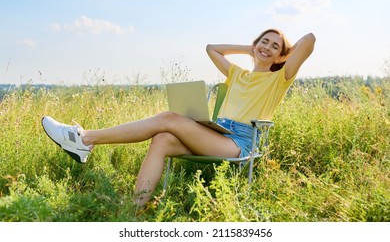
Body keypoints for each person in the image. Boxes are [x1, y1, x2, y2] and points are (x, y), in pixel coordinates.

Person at [41, 29, 316, 206]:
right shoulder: (238, 74)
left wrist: (279, 55)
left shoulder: (280, 78)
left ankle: (85, 138)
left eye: (274, 46)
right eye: (263, 41)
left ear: (282, 54)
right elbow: (211, 48)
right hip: (219, 133)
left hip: (241, 141)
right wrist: (250, 47)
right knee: (161, 138)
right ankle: (135, 210)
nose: (266, 47)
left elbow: (310, 39)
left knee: (169, 118)